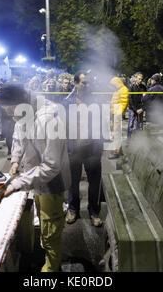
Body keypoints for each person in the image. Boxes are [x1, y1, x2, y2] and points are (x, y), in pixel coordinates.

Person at [1, 85, 71, 272]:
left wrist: (18, 183)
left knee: (51, 229)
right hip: (36, 179)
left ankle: (51, 268)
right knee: (42, 219)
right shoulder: (24, 112)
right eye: (7, 112)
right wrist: (15, 160)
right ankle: (47, 252)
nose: (11, 117)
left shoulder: (50, 118)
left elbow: (51, 166)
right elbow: (18, 136)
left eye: (11, 111)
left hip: (52, 182)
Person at [64, 71, 104, 227]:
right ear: (75, 83)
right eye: (84, 83)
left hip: (92, 149)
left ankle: (94, 212)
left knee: (94, 183)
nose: (88, 85)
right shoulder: (67, 101)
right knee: (72, 182)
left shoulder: (96, 101)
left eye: (88, 83)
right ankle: (73, 209)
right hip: (73, 150)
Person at [108, 76, 129, 159]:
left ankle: (116, 152)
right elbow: (115, 101)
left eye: (113, 85)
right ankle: (119, 150)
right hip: (115, 113)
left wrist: (118, 113)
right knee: (116, 133)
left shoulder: (123, 90)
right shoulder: (118, 90)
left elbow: (124, 103)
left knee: (116, 133)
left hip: (117, 114)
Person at [127, 72, 146, 138]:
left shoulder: (143, 87)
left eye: (141, 79)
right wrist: (135, 109)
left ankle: (138, 139)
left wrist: (142, 109)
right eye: (139, 79)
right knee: (131, 124)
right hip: (132, 109)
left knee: (140, 125)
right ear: (135, 79)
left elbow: (145, 99)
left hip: (140, 109)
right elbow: (130, 99)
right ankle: (129, 139)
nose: (140, 80)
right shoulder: (131, 87)